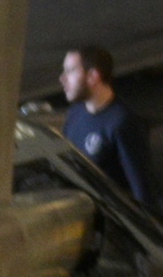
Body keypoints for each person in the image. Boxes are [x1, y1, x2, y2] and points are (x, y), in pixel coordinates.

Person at [58, 45, 151, 200]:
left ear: (92, 76)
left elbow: (142, 189)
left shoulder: (122, 123)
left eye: (70, 71)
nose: (62, 78)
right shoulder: (74, 114)